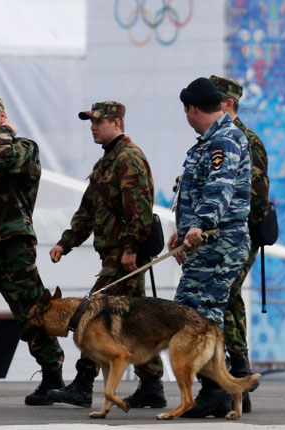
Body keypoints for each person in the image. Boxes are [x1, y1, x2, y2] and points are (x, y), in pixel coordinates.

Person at [45, 101, 166, 409]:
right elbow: (87, 211)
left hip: (123, 259)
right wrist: (65, 243)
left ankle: (84, 385)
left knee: (93, 316)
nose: (93, 127)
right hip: (112, 257)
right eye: (91, 122)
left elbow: (139, 210)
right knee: (133, 323)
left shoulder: (128, 158)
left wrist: (130, 249)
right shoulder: (105, 163)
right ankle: (152, 385)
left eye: (98, 122)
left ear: (117, 123)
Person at [0, 96, 65, 405]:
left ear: (2, 116)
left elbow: (4, 159)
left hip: (13, 249)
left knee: (32, 315)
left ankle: (53, 378)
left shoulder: (24, 148)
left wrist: (6, 132)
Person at [171, 77, 253, 418]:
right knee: (198, 314)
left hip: (220, 242)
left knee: (198, 316)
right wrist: (183, 229)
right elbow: (197, 190)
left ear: (192, 109)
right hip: (207, 242)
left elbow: (219, 188)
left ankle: (216, 388)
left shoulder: (225, 140)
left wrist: (200, 224)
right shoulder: (211, 140)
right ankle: (218, 387)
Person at [209, 74, 270, 413]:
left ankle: (239, 369)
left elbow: (258, 197)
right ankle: (239, 371)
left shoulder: (247, 140)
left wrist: (237, 231)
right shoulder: (217, 137)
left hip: (239, 234)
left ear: (228, 103)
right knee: (227, 298)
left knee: (226, 294)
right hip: (222, 235)